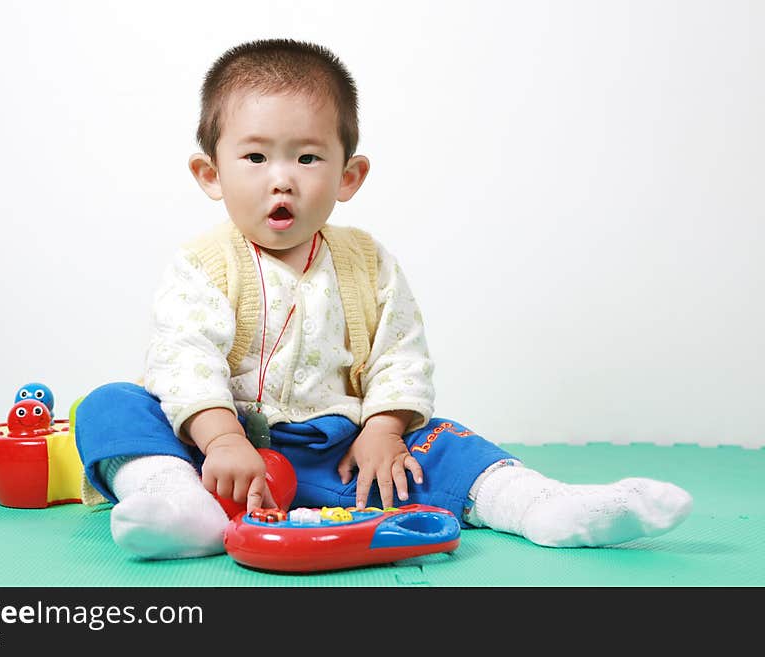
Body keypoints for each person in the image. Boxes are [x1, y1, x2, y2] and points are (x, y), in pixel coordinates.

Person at [74, 38, 693, 560]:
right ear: (211, 173)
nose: (281, 176)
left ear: (349, 176)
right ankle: (176, 501)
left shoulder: (368, 263)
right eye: (255, 156)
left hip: (337, 452)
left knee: (442, 446)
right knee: (113, 406)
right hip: (217, 454)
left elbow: (400, 352)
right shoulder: (202, 264)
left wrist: (383, 427)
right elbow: (185, 358)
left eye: (308, 156)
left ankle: (543, 505)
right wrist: (222, 440)